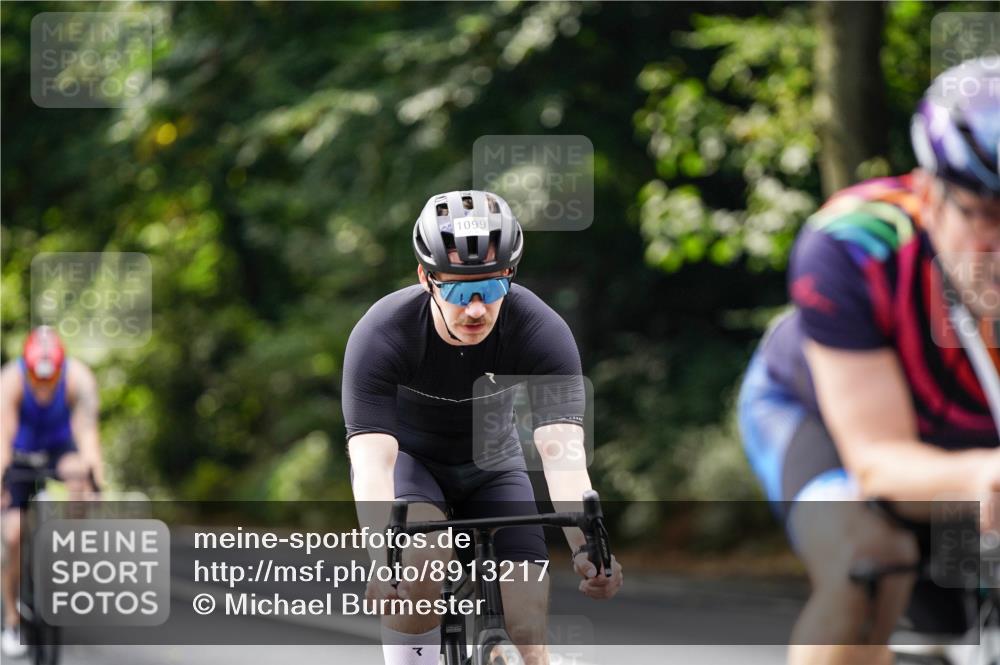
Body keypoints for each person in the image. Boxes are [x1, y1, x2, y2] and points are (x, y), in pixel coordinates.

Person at [739, 57, 999, 665]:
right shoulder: (854, 246)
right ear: (929, 195)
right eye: (981, 214)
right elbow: (878, 463)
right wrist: (982, 480)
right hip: (826, 421)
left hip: (975, 445)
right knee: (868, 561)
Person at [342, 190, 623, 665]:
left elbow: (561, 451)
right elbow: (373, 463)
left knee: (528, 631)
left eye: (491, 289)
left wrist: (588, 549)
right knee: (419, 566)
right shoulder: (383, 333)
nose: (475, 309)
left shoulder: (540, 331)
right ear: (426, 278)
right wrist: (382, 562)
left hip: (492, 466)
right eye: (456, 289)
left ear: (510, 277)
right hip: (413, 466)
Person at [1, 326, 103, 657]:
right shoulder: (10, 381)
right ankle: (12, 619)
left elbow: (88, 435)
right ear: (27, 369)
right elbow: (2, 436)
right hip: (18, 456)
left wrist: (94, 479)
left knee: (79, 477)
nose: (44, 388)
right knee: (13, 536)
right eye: (37, 380)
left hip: (59, 450)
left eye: (50, 380)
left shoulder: (79, 379)